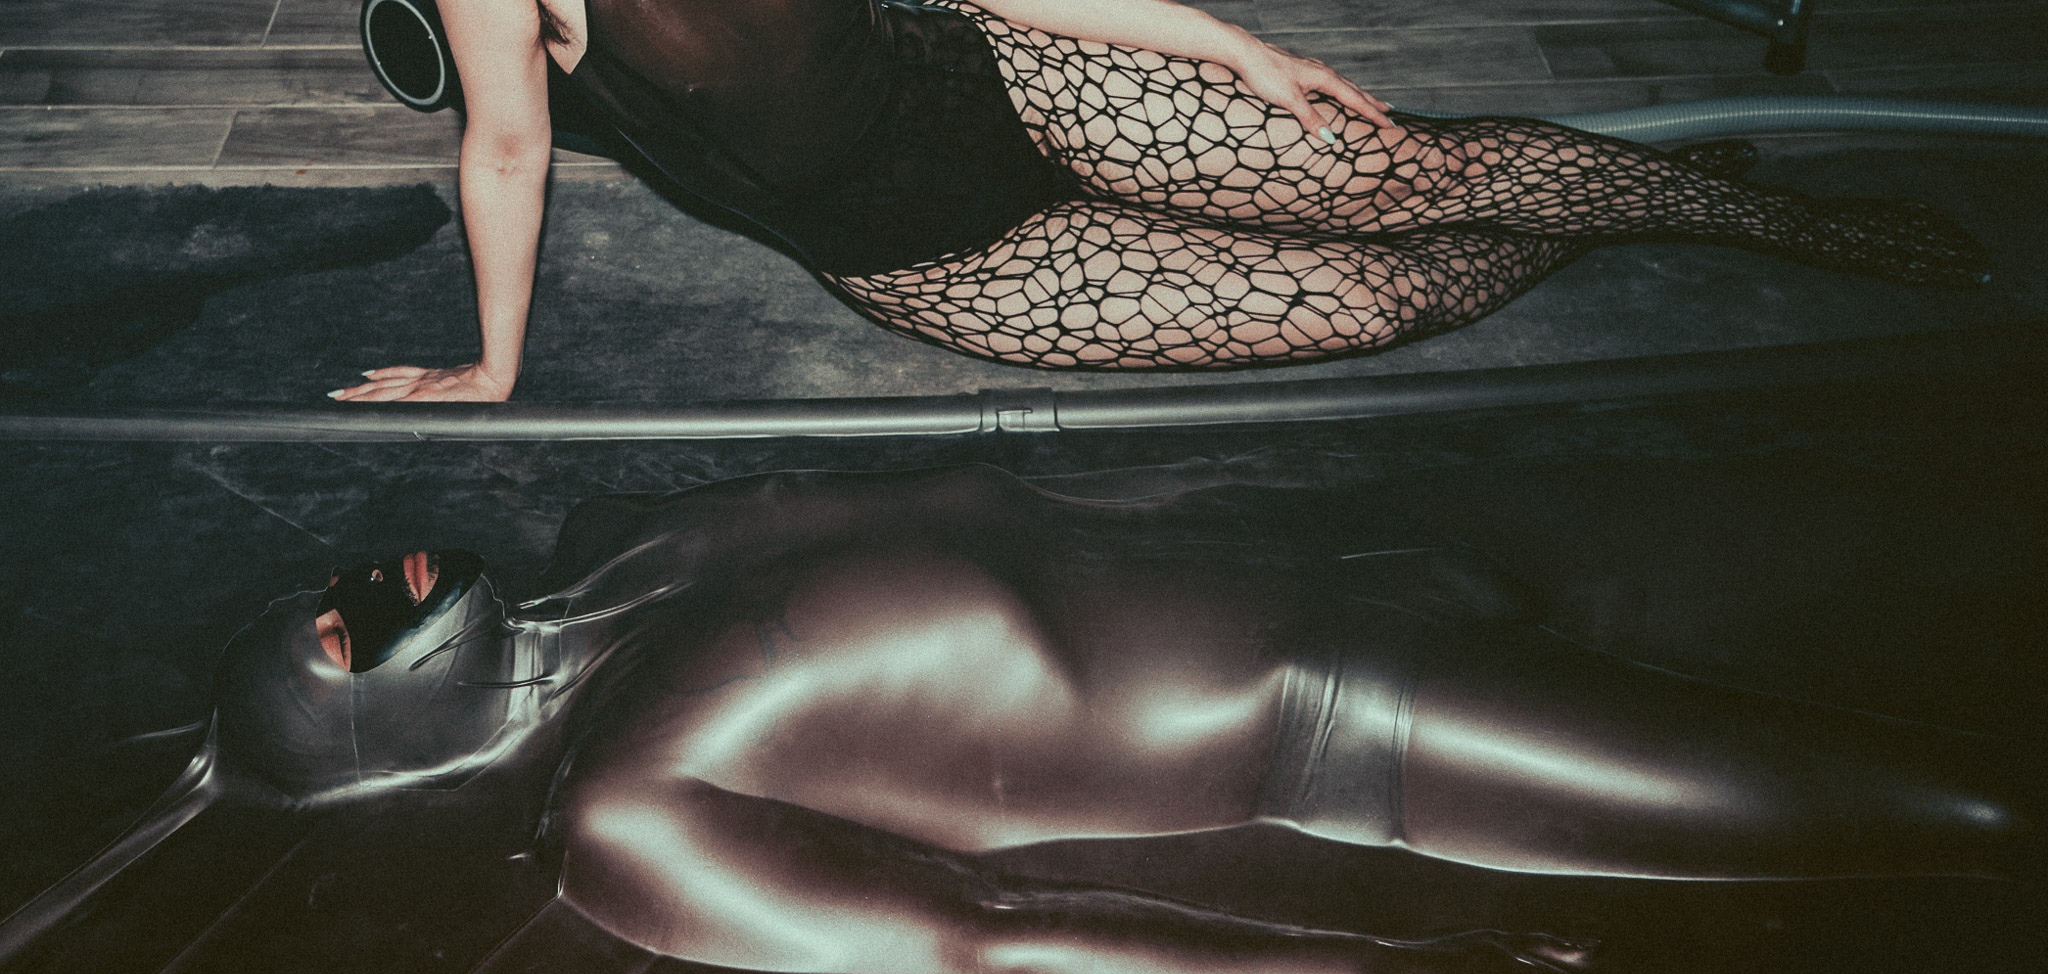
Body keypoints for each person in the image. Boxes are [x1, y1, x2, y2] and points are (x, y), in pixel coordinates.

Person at [212, 465, 2033, 974]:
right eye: (339, 634)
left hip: (1341, 539)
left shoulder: (623, 546)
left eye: (334, 587)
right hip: (1348, 709)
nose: (369, 580)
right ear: (371, 745)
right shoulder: (627, 819)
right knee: (1973, 810)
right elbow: (989, 935)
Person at [330, 0, 1990, 403]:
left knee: (1404, 174)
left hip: (1009, 81)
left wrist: (1227, 44)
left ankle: (1764, 215)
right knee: (1373, 298)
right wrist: (495, 367)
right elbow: (508, 148)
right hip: (924, 253)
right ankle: (1602, 217)